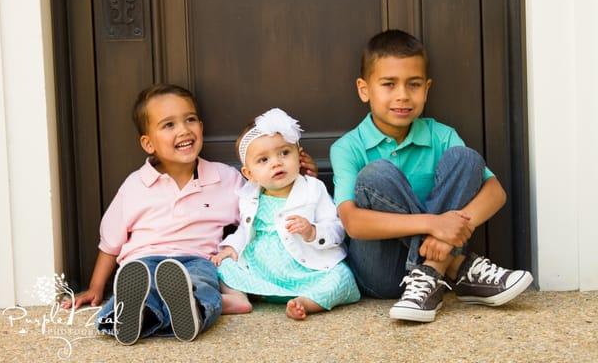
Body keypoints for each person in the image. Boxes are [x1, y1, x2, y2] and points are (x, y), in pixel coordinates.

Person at [61, 84, 318, 344]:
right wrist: (96, 288)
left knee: (202, 287)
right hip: (142, 261)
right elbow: (110, 242)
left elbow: (264, 207)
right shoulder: (134, 185)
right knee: (140, 286)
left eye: (190, 119)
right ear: (148, 143)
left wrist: (298, 183)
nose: (184, 130)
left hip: (197, 261)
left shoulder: (226, 179)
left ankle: (185, 311)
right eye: (169, 125)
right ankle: (124, 315)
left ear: (201, 127)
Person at [330, 29, 533, 323]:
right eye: (389, 84)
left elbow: (496, 192)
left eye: (413, 85)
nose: (402, 95)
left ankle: (430, 274)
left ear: (426, 89)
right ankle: (456, 267)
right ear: (364, 89)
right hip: (381, 274)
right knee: (376, 175)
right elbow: (353, 222)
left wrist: (450, 234)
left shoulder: (441, 135)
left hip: (431, 264)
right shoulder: (348, 147)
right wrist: (437, 225)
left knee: (466, 159)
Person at [211, 108, 360, 320]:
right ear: (249, 173)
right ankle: (238, 297)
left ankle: (305, 302)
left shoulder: (313, 188)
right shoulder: (250, 196)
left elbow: (336, 227)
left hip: (307, 271)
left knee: (342, 276)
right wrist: (230, 248)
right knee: (224, 267)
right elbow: (245, 231)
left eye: (284, 153)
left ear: (299, 156)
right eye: (263, 160)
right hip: (262, 271)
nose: (276, 162)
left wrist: (312, 231)